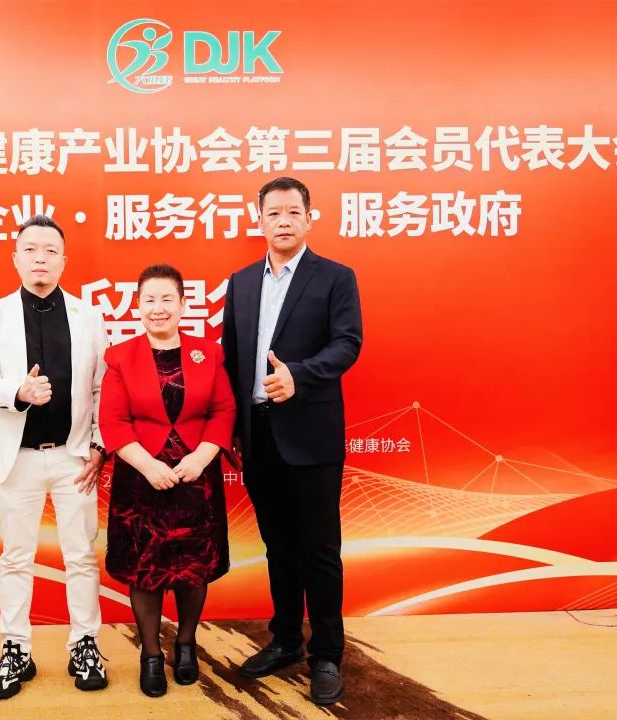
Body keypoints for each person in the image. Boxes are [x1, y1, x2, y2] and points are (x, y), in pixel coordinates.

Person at [221, 177, 363, 706]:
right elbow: (232, 356)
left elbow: (348, 343)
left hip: (311, 434)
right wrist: (235, 428)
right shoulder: (241, 282)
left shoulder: (335, 278)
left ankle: (326, 654)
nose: (282, 221)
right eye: (273, 213)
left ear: (309, 218)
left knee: (320, 549)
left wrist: (298, 375)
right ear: (258, 220)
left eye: (292, 212)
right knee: (278, 547)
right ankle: (285, 640)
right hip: (259, 435)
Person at [0, 215, 111, 699]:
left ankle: (85, 644)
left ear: (64, 260)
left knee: (81, 557)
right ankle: (15, 649)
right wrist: (18, 392)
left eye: (50, 250)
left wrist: (97, 446)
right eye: (30, 249)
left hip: (74, 458)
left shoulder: (88, 316)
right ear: (16, 258)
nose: (40, 258)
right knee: (15, 558)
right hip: (17, 458)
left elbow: (101, 387)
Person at [99, 264, 235, 697]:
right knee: (145, 569)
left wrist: (202, 457)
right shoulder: (120, 357)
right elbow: (113, 421)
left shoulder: (207, 353)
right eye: (149, 300)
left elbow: (223, 410)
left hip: (197, 477)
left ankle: (186, 644)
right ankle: (151, 654)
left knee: (194, 569)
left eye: (167, 299)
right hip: (141, 481)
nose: (158, 309)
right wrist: (148, 465)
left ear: (182, 304)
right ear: (137, 305)